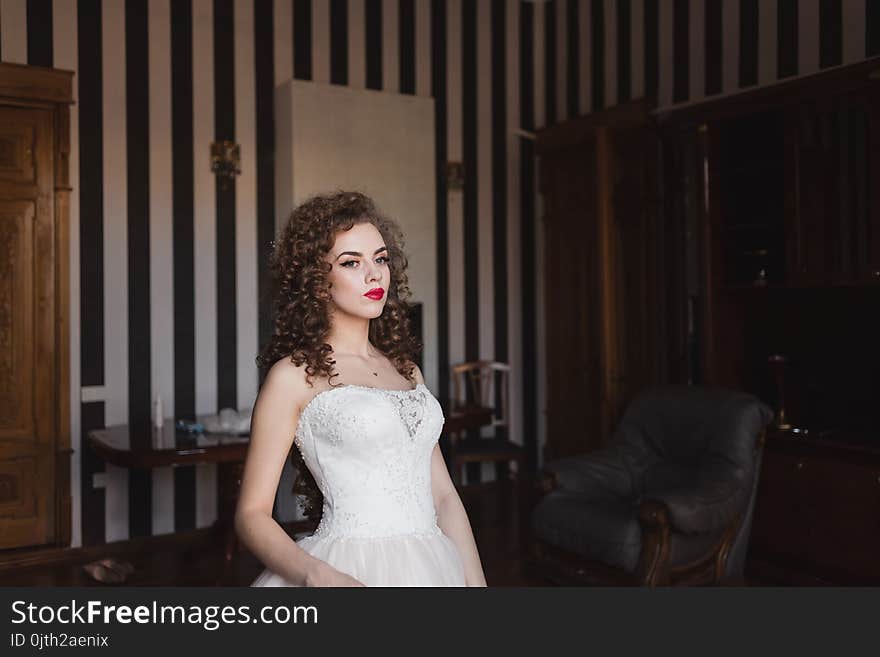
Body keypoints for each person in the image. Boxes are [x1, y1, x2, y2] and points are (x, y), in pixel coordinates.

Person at [235, 191, 488, 587]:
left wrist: (477, 587)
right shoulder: (293, 376)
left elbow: (443, 496)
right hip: (346, 569)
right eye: (351, 262)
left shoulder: (407, 372)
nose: (375, 274)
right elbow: (251, 515)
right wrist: (318, 575)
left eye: (381, 258)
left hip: (434, 568)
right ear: (317, 280)